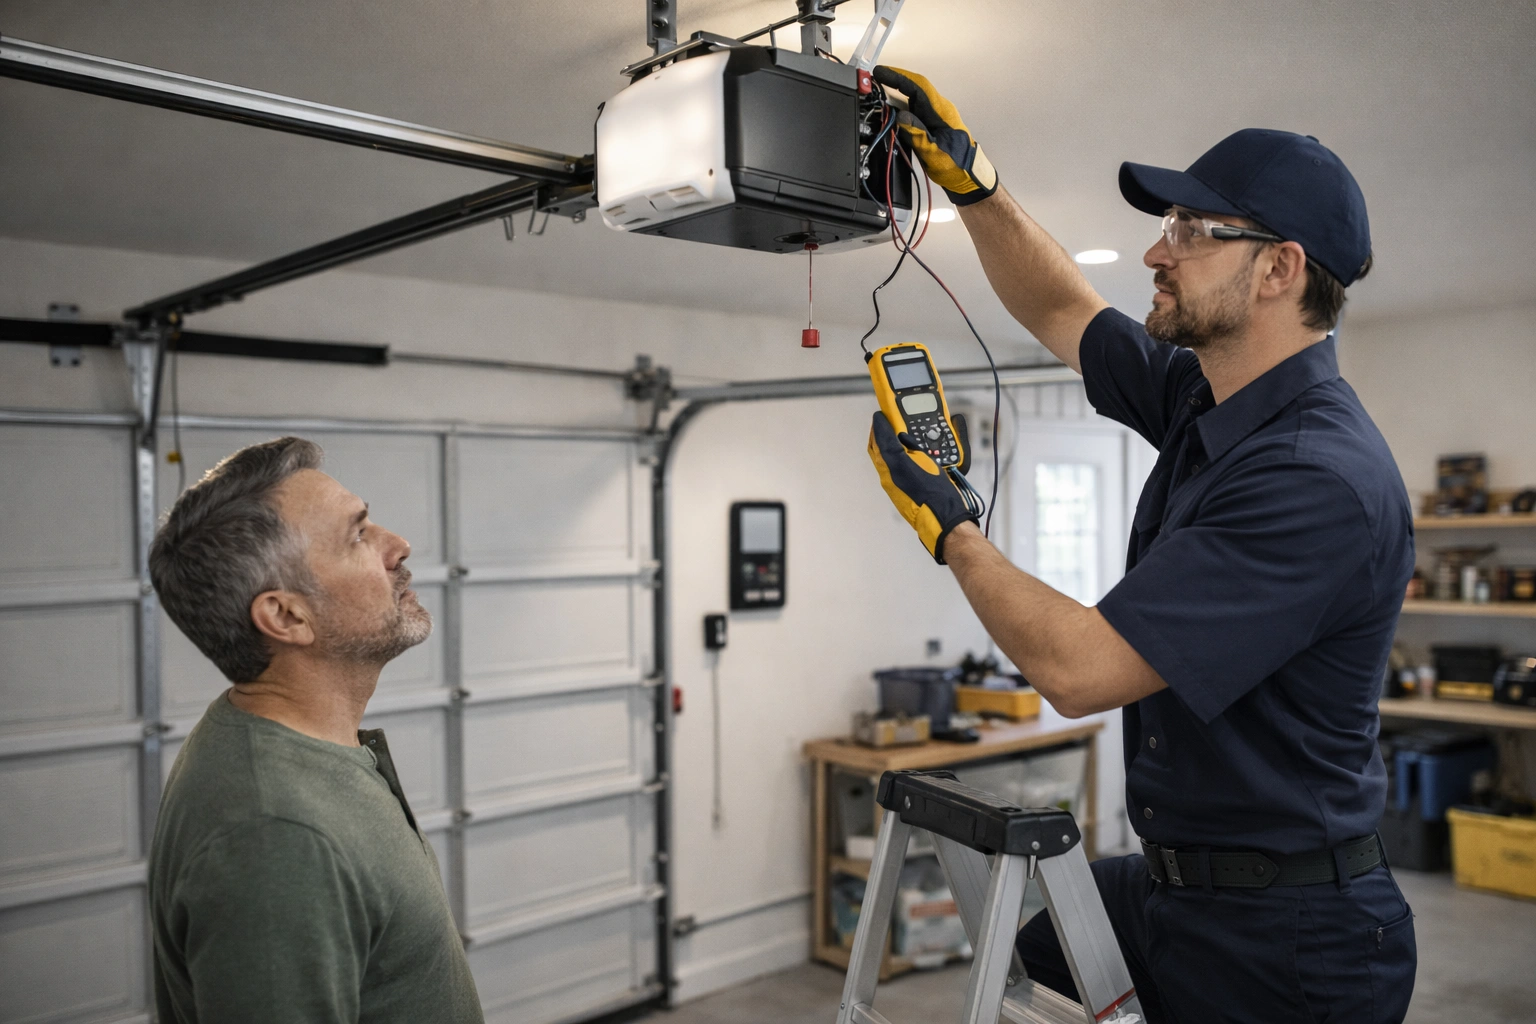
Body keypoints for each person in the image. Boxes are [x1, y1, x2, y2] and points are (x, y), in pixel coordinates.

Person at [864, 66, 1416, 1023]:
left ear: (1280, 269)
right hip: (1182, 888)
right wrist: (975, 186)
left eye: (1194, 233)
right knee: (1034, 951)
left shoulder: (1314, 479)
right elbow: (1064, 311)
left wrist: (951, 527)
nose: (1159, 251)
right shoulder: (1209, 396)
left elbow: (1077, 670)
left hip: (1290, 938)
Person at [147, 437, 482, 1024]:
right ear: (286, 616)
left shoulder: (304, 750)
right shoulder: (277, 836)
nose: (398, 546)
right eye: (358, 535)